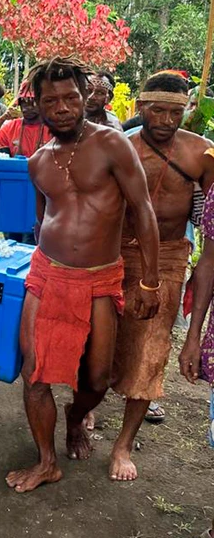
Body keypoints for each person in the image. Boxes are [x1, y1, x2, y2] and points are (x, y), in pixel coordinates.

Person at [5, 57, 160, 494]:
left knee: (96, 379)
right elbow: (43, 220)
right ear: (36, 103)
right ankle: (46, 461)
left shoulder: (112, 144)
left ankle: (76, 418)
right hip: (47, 275)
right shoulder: (37, 161)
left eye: (70, 97)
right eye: (50, 100)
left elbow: (142, 210)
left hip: (100, 277)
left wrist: (150, 280)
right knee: (34, 373)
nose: (62, 107)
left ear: (84, 95)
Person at [107, 71, 214, 481]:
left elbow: (207, 217)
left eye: (176, 111)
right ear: (139, 107)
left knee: (151, 349)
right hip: (115, 253)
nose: (167, 120)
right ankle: (84, 414)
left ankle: (124, 444)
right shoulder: (121, 149)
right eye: (158, 110)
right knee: (102, 342)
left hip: (168, 257)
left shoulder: (202, 154)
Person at [0, 81, 52, 157]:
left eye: (31, 103)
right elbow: (1, 162)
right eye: (23, 103)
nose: (26, 108)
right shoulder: (8, 129)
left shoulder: (54, 129)